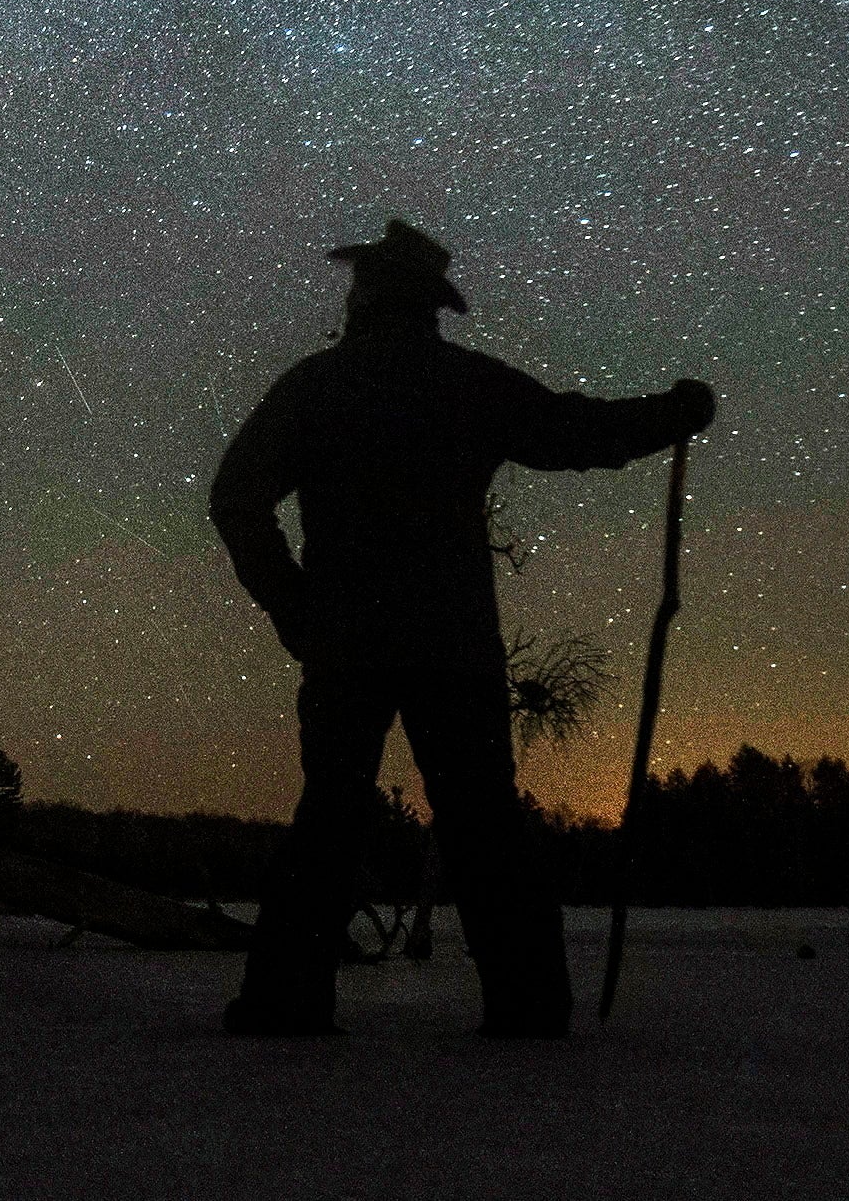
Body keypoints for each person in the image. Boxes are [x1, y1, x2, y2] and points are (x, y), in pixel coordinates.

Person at [209, 219, 713, 1037]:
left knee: (331, 816)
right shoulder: (468, 385)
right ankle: (528, 1004)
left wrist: (297, 608)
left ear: (368, 296)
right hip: (453, 648)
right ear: (429, 305)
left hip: (349, 646)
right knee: (484, 823)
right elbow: (574, 433)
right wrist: (672, 416)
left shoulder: (317, 387)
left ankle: (287, 999)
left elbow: (236, 500)